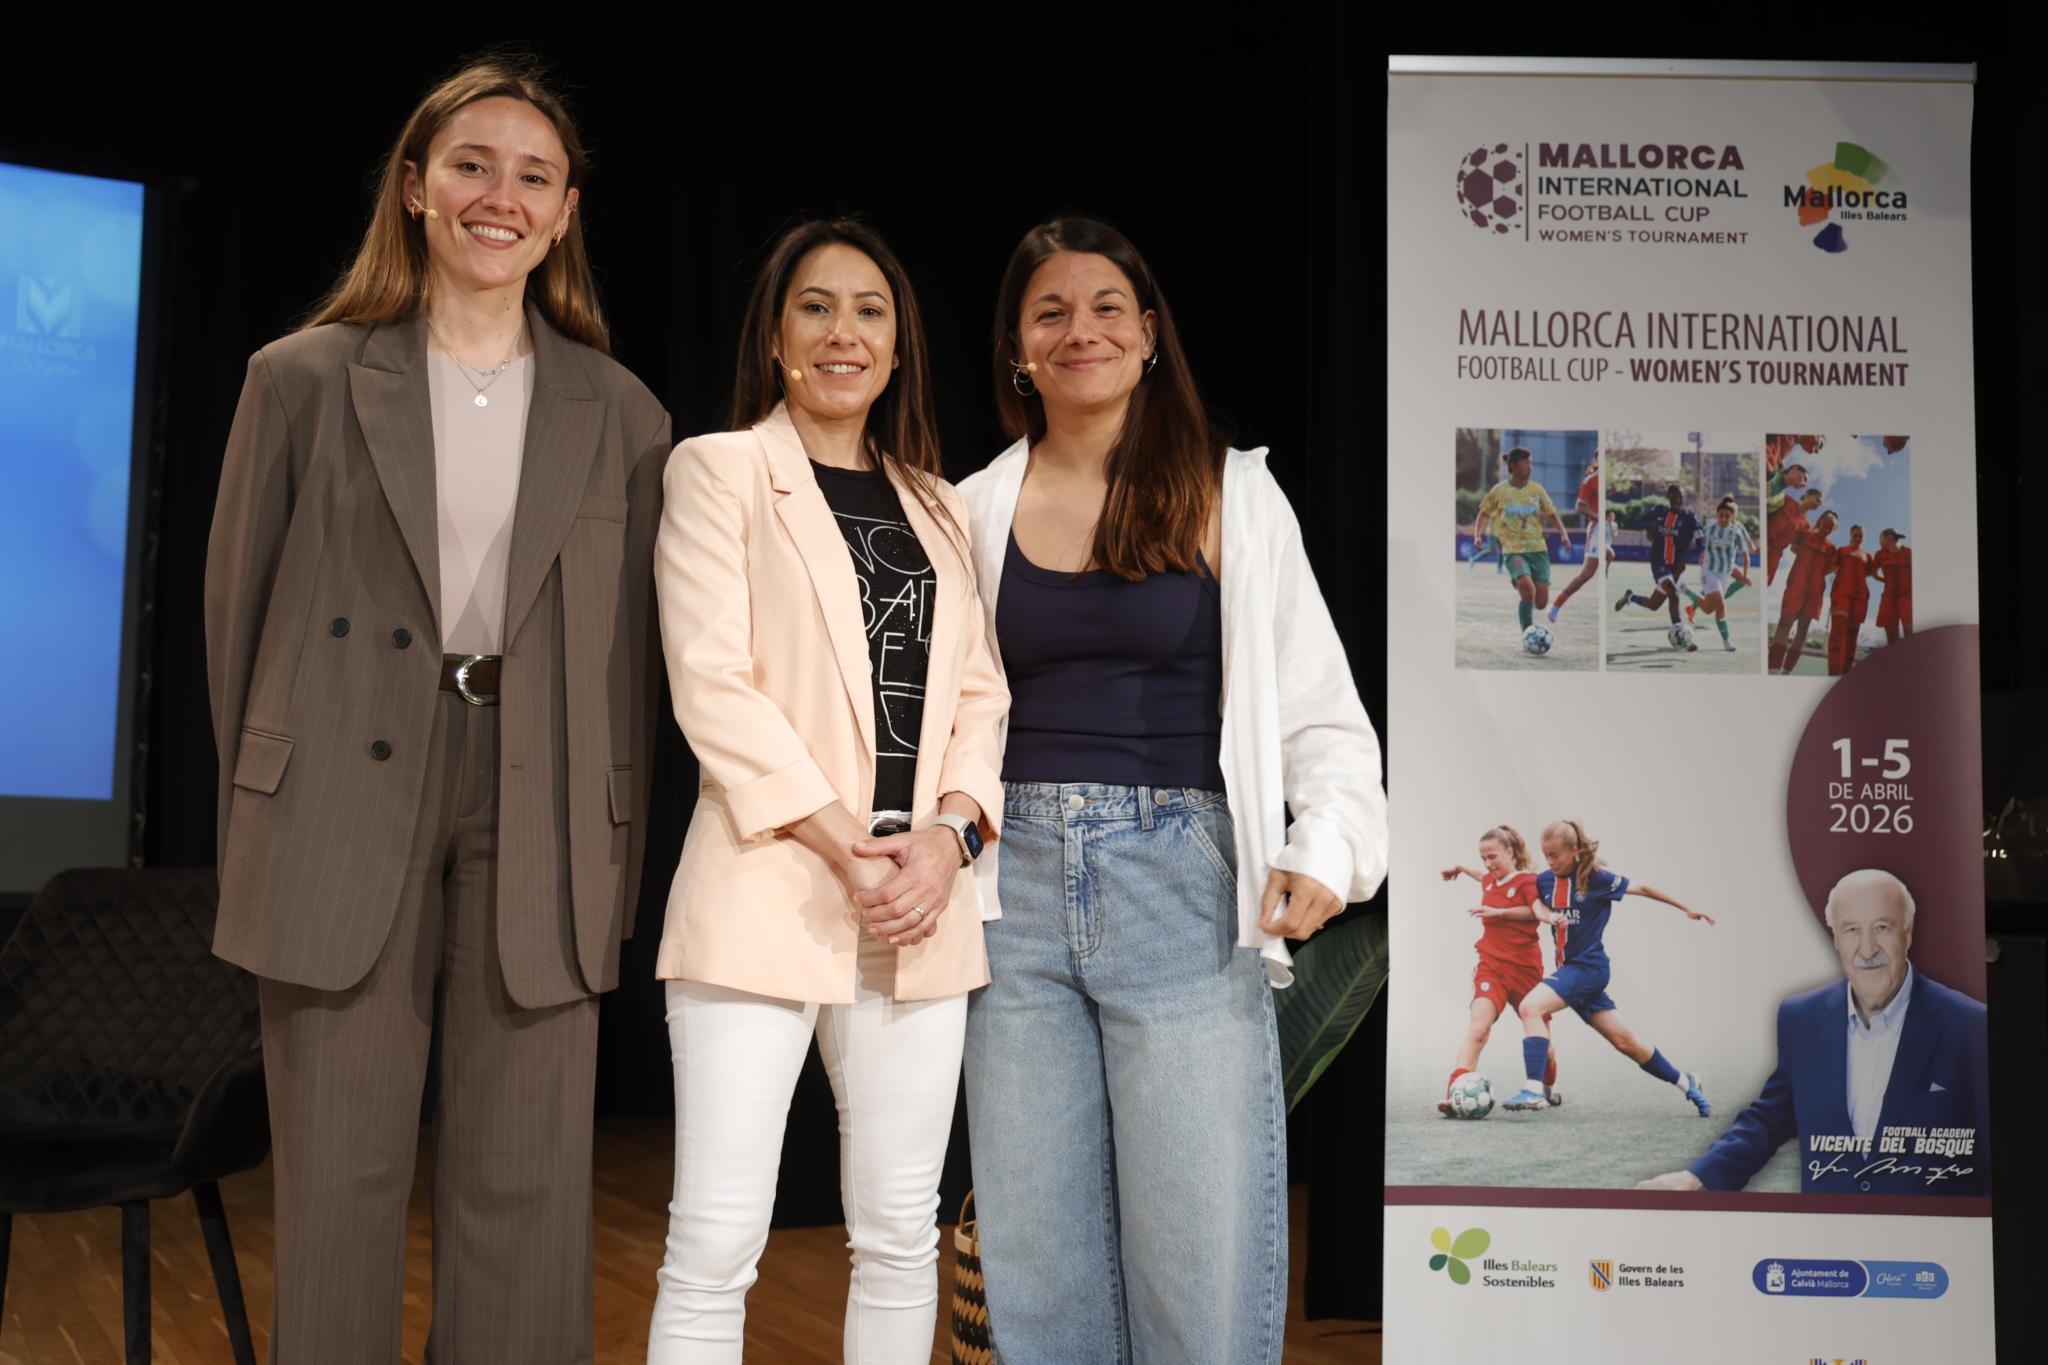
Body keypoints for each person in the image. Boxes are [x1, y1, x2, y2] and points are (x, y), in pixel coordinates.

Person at [204, 55, 670, 1361]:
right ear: (414, 187)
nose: (498, 197)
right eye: (471, 166)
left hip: (546, 803)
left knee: (527, 1200)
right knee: (336, 1193)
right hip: (339, 801)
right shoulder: (301, 379)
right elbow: (236, 629)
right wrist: (265, 815)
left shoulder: (624, 413)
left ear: (565, 212)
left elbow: (632, 669)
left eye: (533, 176)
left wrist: (616, 853)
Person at [958, 215, 1387, 1365]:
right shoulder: (971, 506)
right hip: (1011, 896)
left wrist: (1328, 847)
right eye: (1050, 311)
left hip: (1181, 884)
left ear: (1149, 335)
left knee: (1197, 1256)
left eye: (1107, 307)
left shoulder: (1231, 494)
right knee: (1036, 1262)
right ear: (1017, 350)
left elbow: (1320, 711)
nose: (1080, 329)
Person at [647, 219, 1009, 1363]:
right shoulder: (718, 470)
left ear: (897, 348)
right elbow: (712, 685)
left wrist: (947, 840)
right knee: (715, 1243)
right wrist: (847, 842)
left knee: (900, 1237)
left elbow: (980, 697)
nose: (841, 332)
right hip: (767, 887)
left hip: (919, 905)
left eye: (868, 311)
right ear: (774, 336)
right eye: (815, 306)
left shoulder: (940, 505)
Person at [1638, 869, 1990, 1196]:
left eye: (1882, 927)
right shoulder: (1801, 1018)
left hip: (1932, 1240)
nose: (1867, 949)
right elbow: (1771, 1118)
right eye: (1851, 930)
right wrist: (1697, 1178)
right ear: (1835, 938)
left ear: (1908, 932)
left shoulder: (1969, 1025)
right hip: (1827, 1235)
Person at [1502, 820, 1715, 1116]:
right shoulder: (1545, 881)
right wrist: (1491, 901)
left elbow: (1642, 888)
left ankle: (1533, 1090)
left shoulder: (1596, 878)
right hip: (1572, 973)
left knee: (1530, 1007)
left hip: (1588, 968)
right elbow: (1514, 891)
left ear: (1575, 851)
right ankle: (1685, 1081)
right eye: (1546, 855)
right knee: (1626, 1043)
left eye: (1555, 855)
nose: (1549, 861)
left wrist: (1686, 908)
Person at [1439, 826, 1560, 1115]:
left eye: (1492, 857)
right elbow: (1482, 877)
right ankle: (1453, 1096)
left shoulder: (1527, 881)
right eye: (1483, 858)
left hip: (1526, 971)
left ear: (1510, 852)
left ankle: (1548, 1086)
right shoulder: (1489, 881)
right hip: (1491, 967)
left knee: (1546, 1049)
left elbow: (1535, 910)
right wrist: (1461, 869)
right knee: (1478, 1029)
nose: (1487, 864)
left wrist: (1501, 913)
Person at [1473, 446, 1573, 638]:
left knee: (1541, 602)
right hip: (1513, 551)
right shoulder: (1499, 491)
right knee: (1528, 592)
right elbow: (1483, 514)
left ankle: (1525, 586)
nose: (1530, 467)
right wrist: (1477, 536)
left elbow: (1552, 514)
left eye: (1531, 463)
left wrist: (1564, 534)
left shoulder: (1537, 490)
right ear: (1513, 466)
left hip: (1538, 550)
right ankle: (1527, 633)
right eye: (1526, 463)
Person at [1613, 483, 1700, 648]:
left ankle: (1630, 597)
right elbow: (1638, 521)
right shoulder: (1659, 511)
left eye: (1680, 497)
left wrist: (1686, 557)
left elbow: (1701, 543)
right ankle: (1681, 636)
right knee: (1674, 593)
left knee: (1653, 604)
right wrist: (1650, 526)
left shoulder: (1690, 518)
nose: (1677, 499)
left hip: (1676, 567)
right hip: (1659, 561)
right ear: (1668, 497)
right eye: (1674, 496)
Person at [1680, 496, 1755, 652]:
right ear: (1717, 515)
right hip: (1709, 571)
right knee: (1721, 603)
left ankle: (1687, 591)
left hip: (1725, 574)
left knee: (1709, 609)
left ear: (1732, 516)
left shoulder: (1736, 533)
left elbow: (1746, 555)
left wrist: (1745, 574)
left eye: (1727, 516)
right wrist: (1695, 554)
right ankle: (1727, 642)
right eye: (1721, 515)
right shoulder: (1709, 529)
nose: (1723, 518)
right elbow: (1698, 543)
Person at [1769, 509, 1839, 674]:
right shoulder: (1805, 535)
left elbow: (1830, 568)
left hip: (1815, 590)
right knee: (1785, 622)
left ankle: (1787, 670)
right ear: (1820, 521)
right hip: (1796, 584)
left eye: (1831, 527)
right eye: (1825, 524)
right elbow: (1793, 548)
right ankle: (1773, 668)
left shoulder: (1831, 548)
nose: (1827, 528)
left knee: (1803, 629)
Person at [1547, 456, 1612, 621]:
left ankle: (1604, 592)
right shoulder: (1590, 480)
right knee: (1586, 574)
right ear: (1596, 460)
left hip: (1604, 529)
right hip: (1596, 529)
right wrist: (1599, 517)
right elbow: (1579, 507)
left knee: (1610, 555)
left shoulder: (1605, 479)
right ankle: (1555, 606)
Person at [1827, 523, 1875, 675]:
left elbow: (1870, 572)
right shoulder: (1841, 550)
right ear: (1850, 534)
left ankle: (1846, 674)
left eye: (1861, 535)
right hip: (1841, 593)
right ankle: (1834, 675)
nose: (1858, 538)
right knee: (1838, 632)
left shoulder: (1868, 556)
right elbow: (1832, 567)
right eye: (1855, 535)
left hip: (1860, 596)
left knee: (1852, 635)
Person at [1767, 485, 1824, 585]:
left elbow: (1794, 548)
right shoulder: (1786, 500)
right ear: (1808, 495)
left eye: (1820, 504)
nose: (1818, 504)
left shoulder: (1806, 525)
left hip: (1774, 555)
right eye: (1817, 500)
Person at [1872, 528, 1914, 643]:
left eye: (1881, 539)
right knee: (1891, 636)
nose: (1879, 542)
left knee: (1910, 632)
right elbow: (1874, 573)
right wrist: (1885, 580)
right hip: (1888, 598)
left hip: (1907, 596)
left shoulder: (1908, 552)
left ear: (1889, 538)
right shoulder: (1879, 555)